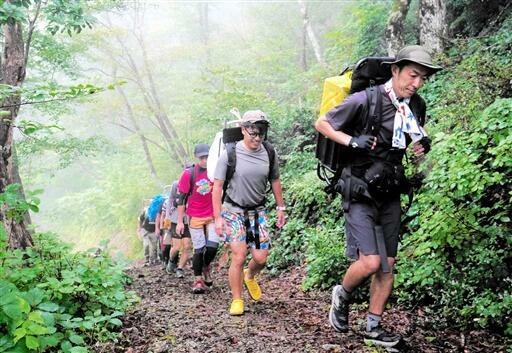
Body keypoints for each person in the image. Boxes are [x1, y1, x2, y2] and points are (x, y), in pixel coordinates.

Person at [314, 45, 442, 348]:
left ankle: (373, 327)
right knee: (371, 262)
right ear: (395, 70)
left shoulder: (415, 106)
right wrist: (352, 141)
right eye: (413, 75)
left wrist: (422, 148)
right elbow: (322, 123)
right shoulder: (365, 100)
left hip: (391, 189)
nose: (417, 83)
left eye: (423, 78)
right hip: (358, 187)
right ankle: (342, 295)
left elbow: (413, 139)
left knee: (388, 264)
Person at [212, 110, 286, 316]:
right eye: (253, 132)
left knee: (261, 258)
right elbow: (217, 187)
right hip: (233, 210)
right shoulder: (230, 153)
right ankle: (237, 299)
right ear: (243, 130)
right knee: (239, 255)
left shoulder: (269, 152)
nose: (257, 137)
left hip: (257, 211)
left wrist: (281, 208)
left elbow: (275, 181)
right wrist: (217, 217)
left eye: (261, 132)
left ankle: (250, 276)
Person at [176, 143, 219, 294]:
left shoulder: (215, 171)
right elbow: (181, 198)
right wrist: (180, 221)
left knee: (213, 246)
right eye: (202, 157)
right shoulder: (189, 174)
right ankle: (198, 279)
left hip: (213, 214)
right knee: (199, 249)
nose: (205, 160)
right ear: (197, 158)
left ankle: (206, 266)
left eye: (207, 157)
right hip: (195, 215)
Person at [165, 180, 191, 278]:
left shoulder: (194, 185)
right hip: (175, 219)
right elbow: (170, 200)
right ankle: (171, 261)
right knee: (176, 247)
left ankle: (180, 268)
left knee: (187, 246)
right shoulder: (176, 184)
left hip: (188, 219)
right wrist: (167, 216)